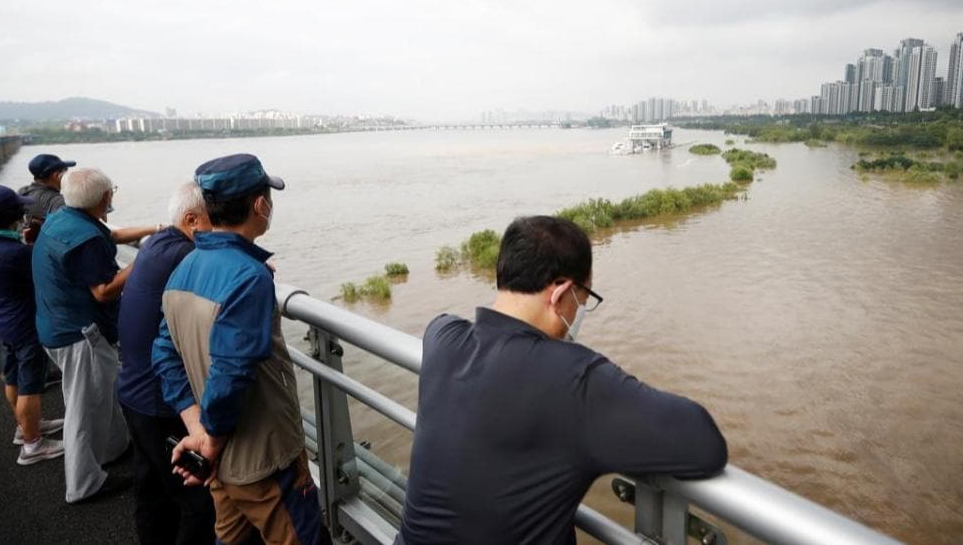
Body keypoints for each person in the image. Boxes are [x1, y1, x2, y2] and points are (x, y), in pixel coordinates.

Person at [397, 216, 729, 545]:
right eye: (583, 301)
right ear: (560, 294)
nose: (579, 312)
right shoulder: (575, 379)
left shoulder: (442, 339)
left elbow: (444, 321)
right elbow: (705, 445)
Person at [153, 154, 326, 545]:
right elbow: (231, 371)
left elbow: (164, 354)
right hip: (264, 460)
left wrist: (198, 430)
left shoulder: (185, 267)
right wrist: (209, 442)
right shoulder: (250, 278)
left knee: (230, 538)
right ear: (260, 205)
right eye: (269, 198)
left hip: (219, 458)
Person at [32, 166, 158, 503]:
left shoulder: (64, 219)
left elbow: (112, 236)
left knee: (102, 393)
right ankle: (83, 484)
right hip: (79, 333)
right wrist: (145, 259)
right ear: (105, 197)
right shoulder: (84, 239)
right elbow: (104, 291)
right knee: (83, 408)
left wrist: (159, 230)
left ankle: (114, 449)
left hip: (54, 324)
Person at [118, 181, 216, 545]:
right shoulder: (186, 256)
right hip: (162, 402)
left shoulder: (156, 245)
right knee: (198, 502)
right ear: (191, 220)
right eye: (215, 221)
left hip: (133, 390)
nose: (221, 231)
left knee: (152, 491)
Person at [0, 185, 66, 465]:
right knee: (30, 386)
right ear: (13, 215)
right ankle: (33, 444)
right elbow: (45, 277)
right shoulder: (16, 254)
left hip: (4, 322)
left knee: (11, 378)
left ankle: (25, 427)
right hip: (26, 325)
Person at [19, 153, 75, 221]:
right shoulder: (57, 201)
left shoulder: (22, 192)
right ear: (56, 176)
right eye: (66, 170)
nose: (68, 175)